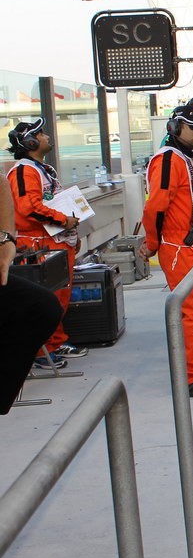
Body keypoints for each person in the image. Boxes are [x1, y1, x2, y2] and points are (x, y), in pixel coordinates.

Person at [139, 103, 193, 398]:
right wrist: (152, 244)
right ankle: (190, 377)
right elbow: (155, 207)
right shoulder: (167, 160)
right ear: (175, 128)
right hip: (184, 250)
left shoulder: (187, 159)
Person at [6, 118, 81, 366]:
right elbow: (28, 208)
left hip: (54, 240)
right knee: (48, 299)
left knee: (60, 296)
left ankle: (55, 343)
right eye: (41, 134)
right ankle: (41, 352)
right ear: (29, 142)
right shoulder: (23, 171)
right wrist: (64, 221)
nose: (47, 136)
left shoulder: (41, 169)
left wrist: (69, 231)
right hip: (37, 243)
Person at [0, 174, 65, 413]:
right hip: (40, 232)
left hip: (49, 235)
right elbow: (29, 206)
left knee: (40, 307)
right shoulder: (25, 171)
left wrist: (6, 239)